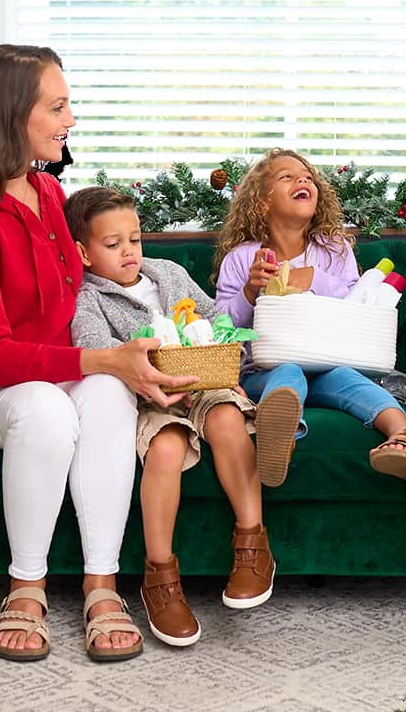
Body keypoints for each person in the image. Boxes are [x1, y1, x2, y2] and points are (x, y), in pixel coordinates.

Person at [0, 44, 197, 663]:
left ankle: (101, 583)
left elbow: (84, 302)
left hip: (54, 379)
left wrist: (136, 358)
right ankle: (26, 586)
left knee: (102, 391)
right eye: (59, 107)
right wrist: (104, 361)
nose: (71, 120)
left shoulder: (48, 193)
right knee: (48, 406)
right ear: (13, 115)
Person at [64, 186, 278, 647]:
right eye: (112, 244)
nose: (128, 252)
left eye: (135, 239)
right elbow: (100, 356)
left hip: (203, 379)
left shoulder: (170, 274)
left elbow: (217, 322)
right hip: (147, 398)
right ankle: (159, 576)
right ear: (82, 253)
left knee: (226, 418)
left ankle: (252, 542)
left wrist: (228, 360)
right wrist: (149, 380)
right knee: (165, 449)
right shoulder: (89, 298)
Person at [212, 148, 406, 487]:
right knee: (288, 371)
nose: (303, 180)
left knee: (350, 380)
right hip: (264, 370)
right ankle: (279, 436)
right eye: (287, 177)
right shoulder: (242, 259)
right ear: (262, 202)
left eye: (308, 177)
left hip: (331, 362)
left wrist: (314, 278)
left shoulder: (333, 250)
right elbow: (220, 329)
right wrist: (250, 293)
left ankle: (405, 438)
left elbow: (357, 308)